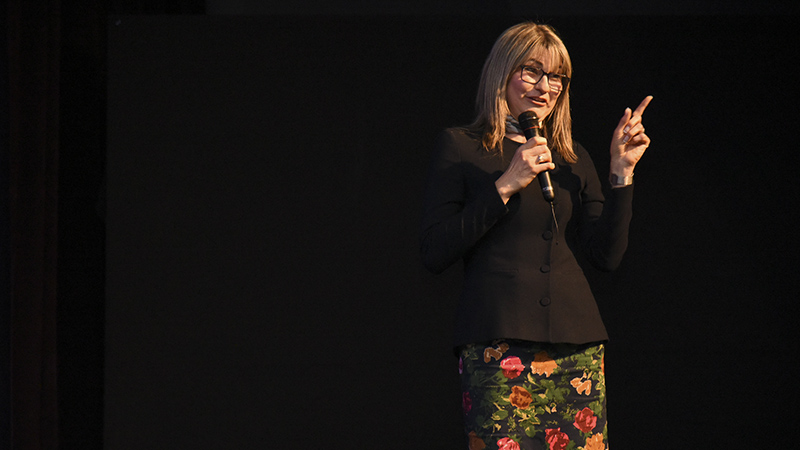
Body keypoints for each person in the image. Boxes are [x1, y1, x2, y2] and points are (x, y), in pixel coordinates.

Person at [419, 22, 652, 450]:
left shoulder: (571, 156)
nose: (545, 87)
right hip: (497, 347)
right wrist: (506, 183)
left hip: (575, 346)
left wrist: (622, 172)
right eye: (531, 72)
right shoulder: (461, 147)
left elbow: (606, 255)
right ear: (502, 72)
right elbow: (435, 251)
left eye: (557, 78)